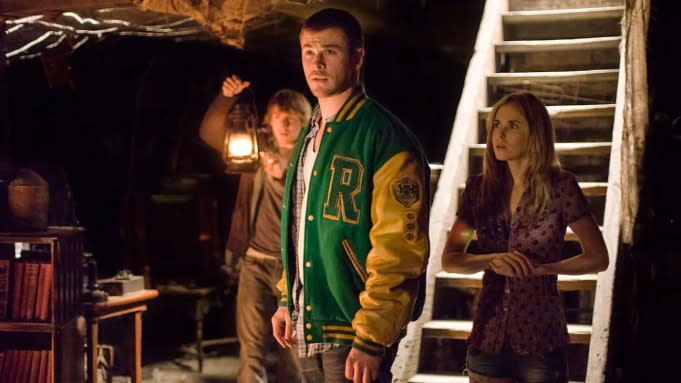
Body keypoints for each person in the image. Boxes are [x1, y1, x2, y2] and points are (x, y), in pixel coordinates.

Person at [270, 8, 430, 383]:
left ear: (357, 57)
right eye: (308, 51)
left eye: (330, 51)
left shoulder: (385, 138)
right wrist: (285, 297)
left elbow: (400, 249)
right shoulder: (310, 133)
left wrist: (373, 336)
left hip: (353, 322)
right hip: (308, 318)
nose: (317, 62)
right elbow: (300, 228)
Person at [441, 92, 610, 383]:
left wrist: (545, 268)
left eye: (513, 126)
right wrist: (491, 260)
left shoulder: (561, 188)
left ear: (536, 134)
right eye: (496, 125)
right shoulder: (478, 191)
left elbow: (598, 257)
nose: (500, 134)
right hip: (487, 338)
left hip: (541, 341)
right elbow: (451, 259)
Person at [200, 75, 311, 383]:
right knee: (251, 352)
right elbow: (210, 134)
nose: (284, 125)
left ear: (305, 121)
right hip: (255, 264)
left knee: (297, 353)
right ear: (268, 122)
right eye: (277, 118)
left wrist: (283, 170)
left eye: (291, 118)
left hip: (296, 271)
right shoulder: (255, 150)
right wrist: (225, 99)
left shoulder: (314, 157)